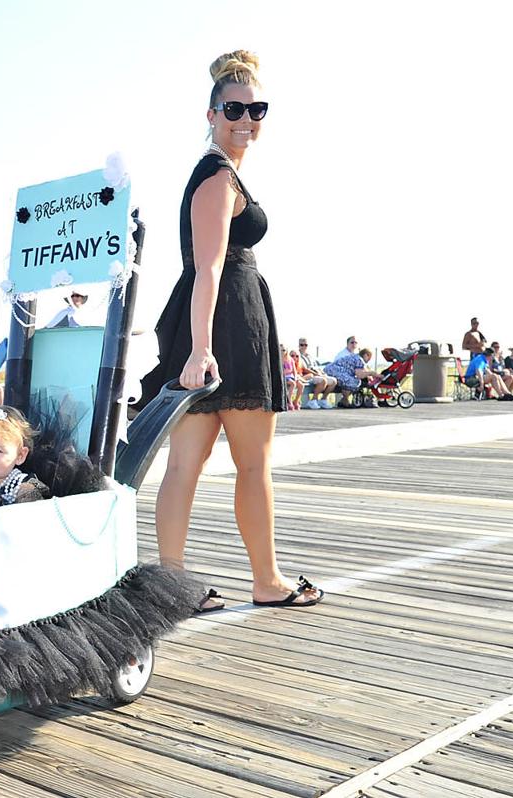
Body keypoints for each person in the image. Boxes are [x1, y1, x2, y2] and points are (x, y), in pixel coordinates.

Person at [134, 50, 322, 610]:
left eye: (257, 108)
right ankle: (267, 581)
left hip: (210, 321)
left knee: (184, 466)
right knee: (251, 466)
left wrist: (195, 346)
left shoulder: (217, 171)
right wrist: (200, 349)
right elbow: (210, 267)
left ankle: (172, 583)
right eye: (235, 108)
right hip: (228, 324)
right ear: (212, 112)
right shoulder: (217, 175)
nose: (247, 118)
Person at [295, 338, 337, 409]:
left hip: (316, 373)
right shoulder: (297, 355)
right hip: (307, 376)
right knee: (323, 381)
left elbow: (316, 366)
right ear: (298, 345)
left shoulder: (309, 356)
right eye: (302, 345)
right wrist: (317, 374)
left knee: (334, 381)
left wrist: (321, 373)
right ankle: (313, 399)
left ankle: (323, 399)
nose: (304, 346)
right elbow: (305, 369)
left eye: (306, 345)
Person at [281, 344, 302, 409]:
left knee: (301, 385)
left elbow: (294, 370)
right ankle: (289, 400)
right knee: (292, 383)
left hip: (291, 376)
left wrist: (295, 377)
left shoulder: (290, 359)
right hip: (284, 377)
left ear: (286, 351)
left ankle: (296, 401)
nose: (282, 352)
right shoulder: (278, 360)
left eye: (284, 350)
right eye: (280, 350)